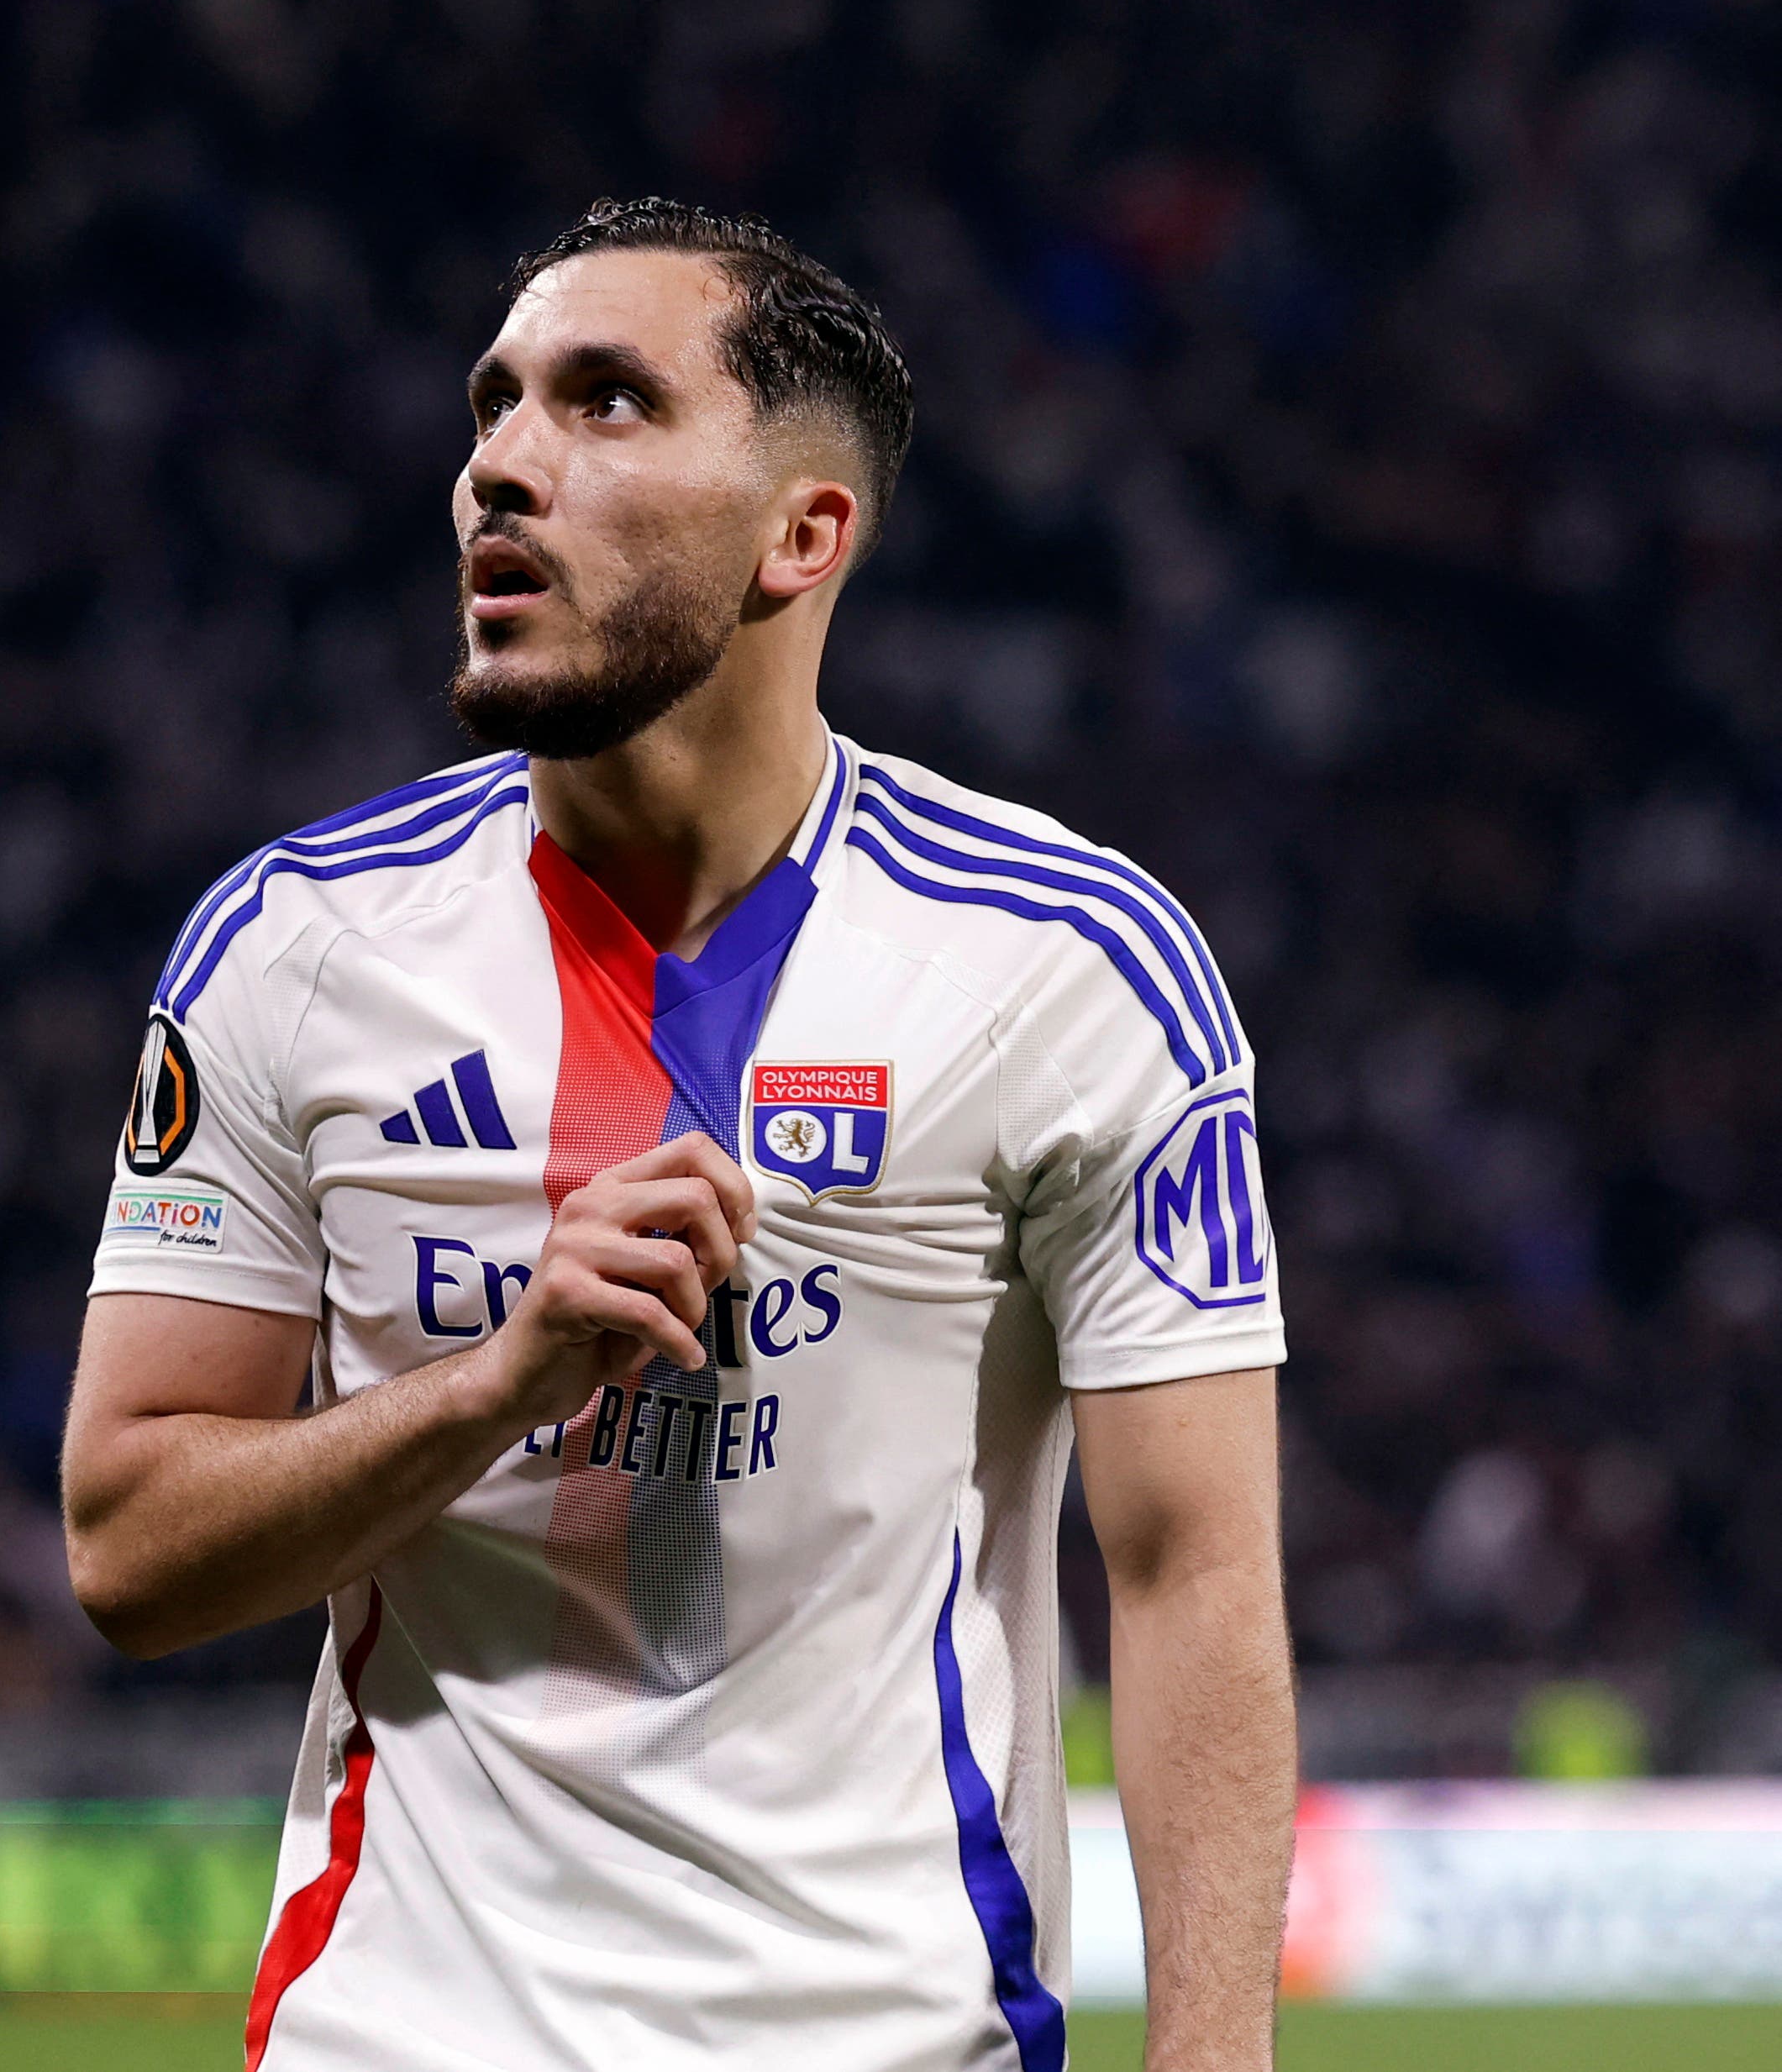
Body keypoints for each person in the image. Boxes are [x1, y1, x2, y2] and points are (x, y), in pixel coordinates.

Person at [63, 197, 1293, 2072]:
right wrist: (496, 1383)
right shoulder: (293, 950)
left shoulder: (1071, 967)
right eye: (494, 406)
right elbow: (130, 1547)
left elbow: (1192, 1570)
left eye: (606, 402)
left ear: (803, 535)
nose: (500, 465)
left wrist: (1216, 2059)